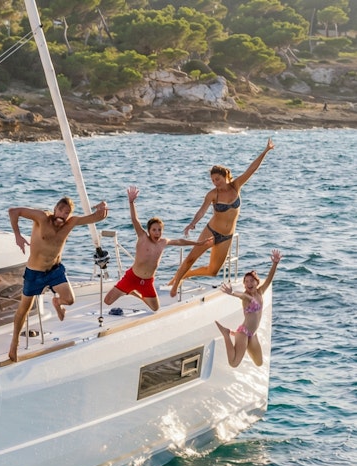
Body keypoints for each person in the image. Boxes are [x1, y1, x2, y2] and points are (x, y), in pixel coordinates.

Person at [168, 137, 274, 297]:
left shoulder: (236, 186)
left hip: (226, 236)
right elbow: (202, 211)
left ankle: (185, 275)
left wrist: (265, 151)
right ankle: (176, 283)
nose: (215, 183)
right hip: (211, 231)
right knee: (191, 259)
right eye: (212, 180)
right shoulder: (212, 194)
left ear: (226, 176)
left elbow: (251, 169)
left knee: (213, 271)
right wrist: (192, 223)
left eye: (217, 179)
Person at [7, 197, 109, 361]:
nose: (63, 215)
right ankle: (14, 343)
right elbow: (13, 211)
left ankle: (57, 302)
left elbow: (97, 217)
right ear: (55, 209)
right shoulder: (42, 218)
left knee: (69, 300)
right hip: (34, 272)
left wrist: (102, 207)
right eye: (60, 210)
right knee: (23, 310)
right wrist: (17, 235)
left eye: (67, 212)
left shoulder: (71, 223)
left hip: (55, 271)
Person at [104, 186, 211, 312]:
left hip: (148, 281)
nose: (157, 232)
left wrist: (198, 243)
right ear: (149, 231)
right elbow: (134, 220)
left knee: (155, 308)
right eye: (154, 230)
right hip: (132, 277)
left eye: (159, 230)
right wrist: (131, 202)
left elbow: (179, 241)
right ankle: (130, 289)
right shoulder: (143, 237)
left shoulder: (163, 242)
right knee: (107, 301)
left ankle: (133, 292)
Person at [215, 249, 281, 367]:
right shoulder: (246, 297)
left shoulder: (260, 292)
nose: (249, 283)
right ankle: (226, 334)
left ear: (257, 282)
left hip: (253, 334)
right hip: (244, 333)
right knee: (233, 363)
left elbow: (269, 279)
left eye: (251, 281)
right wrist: (232, 293)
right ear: (244, 285)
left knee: (259, 363)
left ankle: (239, 343)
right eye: (246, 282)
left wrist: (275, 263)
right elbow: (241, 295)